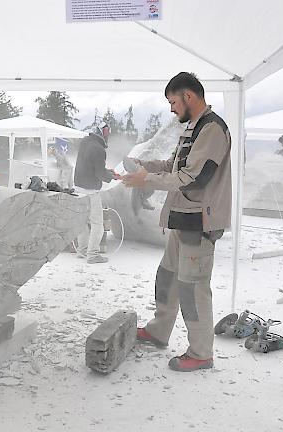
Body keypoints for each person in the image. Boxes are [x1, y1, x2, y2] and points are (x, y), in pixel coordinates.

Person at [122, 72, 231, 372]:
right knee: (167, 278)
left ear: (189, 97)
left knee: (192, 289)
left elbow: (194, 177)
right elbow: (173, 166)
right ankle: (159, 331)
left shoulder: (212, 130)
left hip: (199, 222)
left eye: (173, 102)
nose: (171, 109)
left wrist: (147, 180)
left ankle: (200, 352)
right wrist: (143, 166)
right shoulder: (192, 129)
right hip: (182, 219)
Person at [74, 121, 120, 264]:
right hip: (90, 191)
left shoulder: (85, 142)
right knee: (97, 224)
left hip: (78, 189)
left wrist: (107, 171)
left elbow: (90, 165)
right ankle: (93, 255)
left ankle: (82, 250)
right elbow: (99, 173)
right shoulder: (99, 149)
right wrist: (111, 176)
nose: (108, 136)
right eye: (106, 132)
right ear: (101, 132)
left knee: (82, 222)